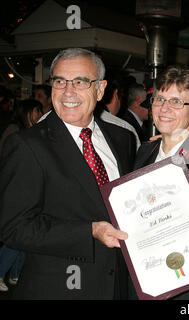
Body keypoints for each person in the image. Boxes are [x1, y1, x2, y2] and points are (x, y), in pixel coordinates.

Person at [0, 48, 136, 299]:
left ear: (100, 88)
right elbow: (13, 228)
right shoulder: (27, 145)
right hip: (58, 290)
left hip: (116, 287)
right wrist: (90, 231)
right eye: (60, 81)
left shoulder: (122, 139)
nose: (68, 91)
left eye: (81, 82)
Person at [133, 65, 189, 300]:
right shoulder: (144, 152)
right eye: (159, 99)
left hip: (188, 287)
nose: (164, 108)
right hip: (144, 281)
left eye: (176, 102)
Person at [0, 99, 43, 292]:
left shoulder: (33, 134)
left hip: (29, 190)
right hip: (17, 189)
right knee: (16, 237)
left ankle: (16, 273)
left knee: (25, 239)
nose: (39, 115)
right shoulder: (15, 133)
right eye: (36, 111)